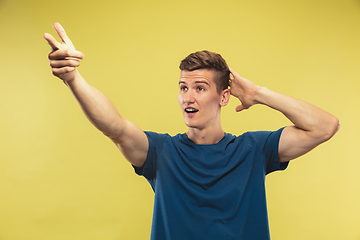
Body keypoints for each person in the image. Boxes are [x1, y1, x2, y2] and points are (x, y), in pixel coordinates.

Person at [44, 23, 340, 240]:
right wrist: (73, 78)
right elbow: (115, 127)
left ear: (224, 97)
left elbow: (325, 126)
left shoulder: (254, 149)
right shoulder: (161, 152)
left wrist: (257, 92)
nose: (188, 97)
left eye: (200, 88)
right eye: (183, 88)